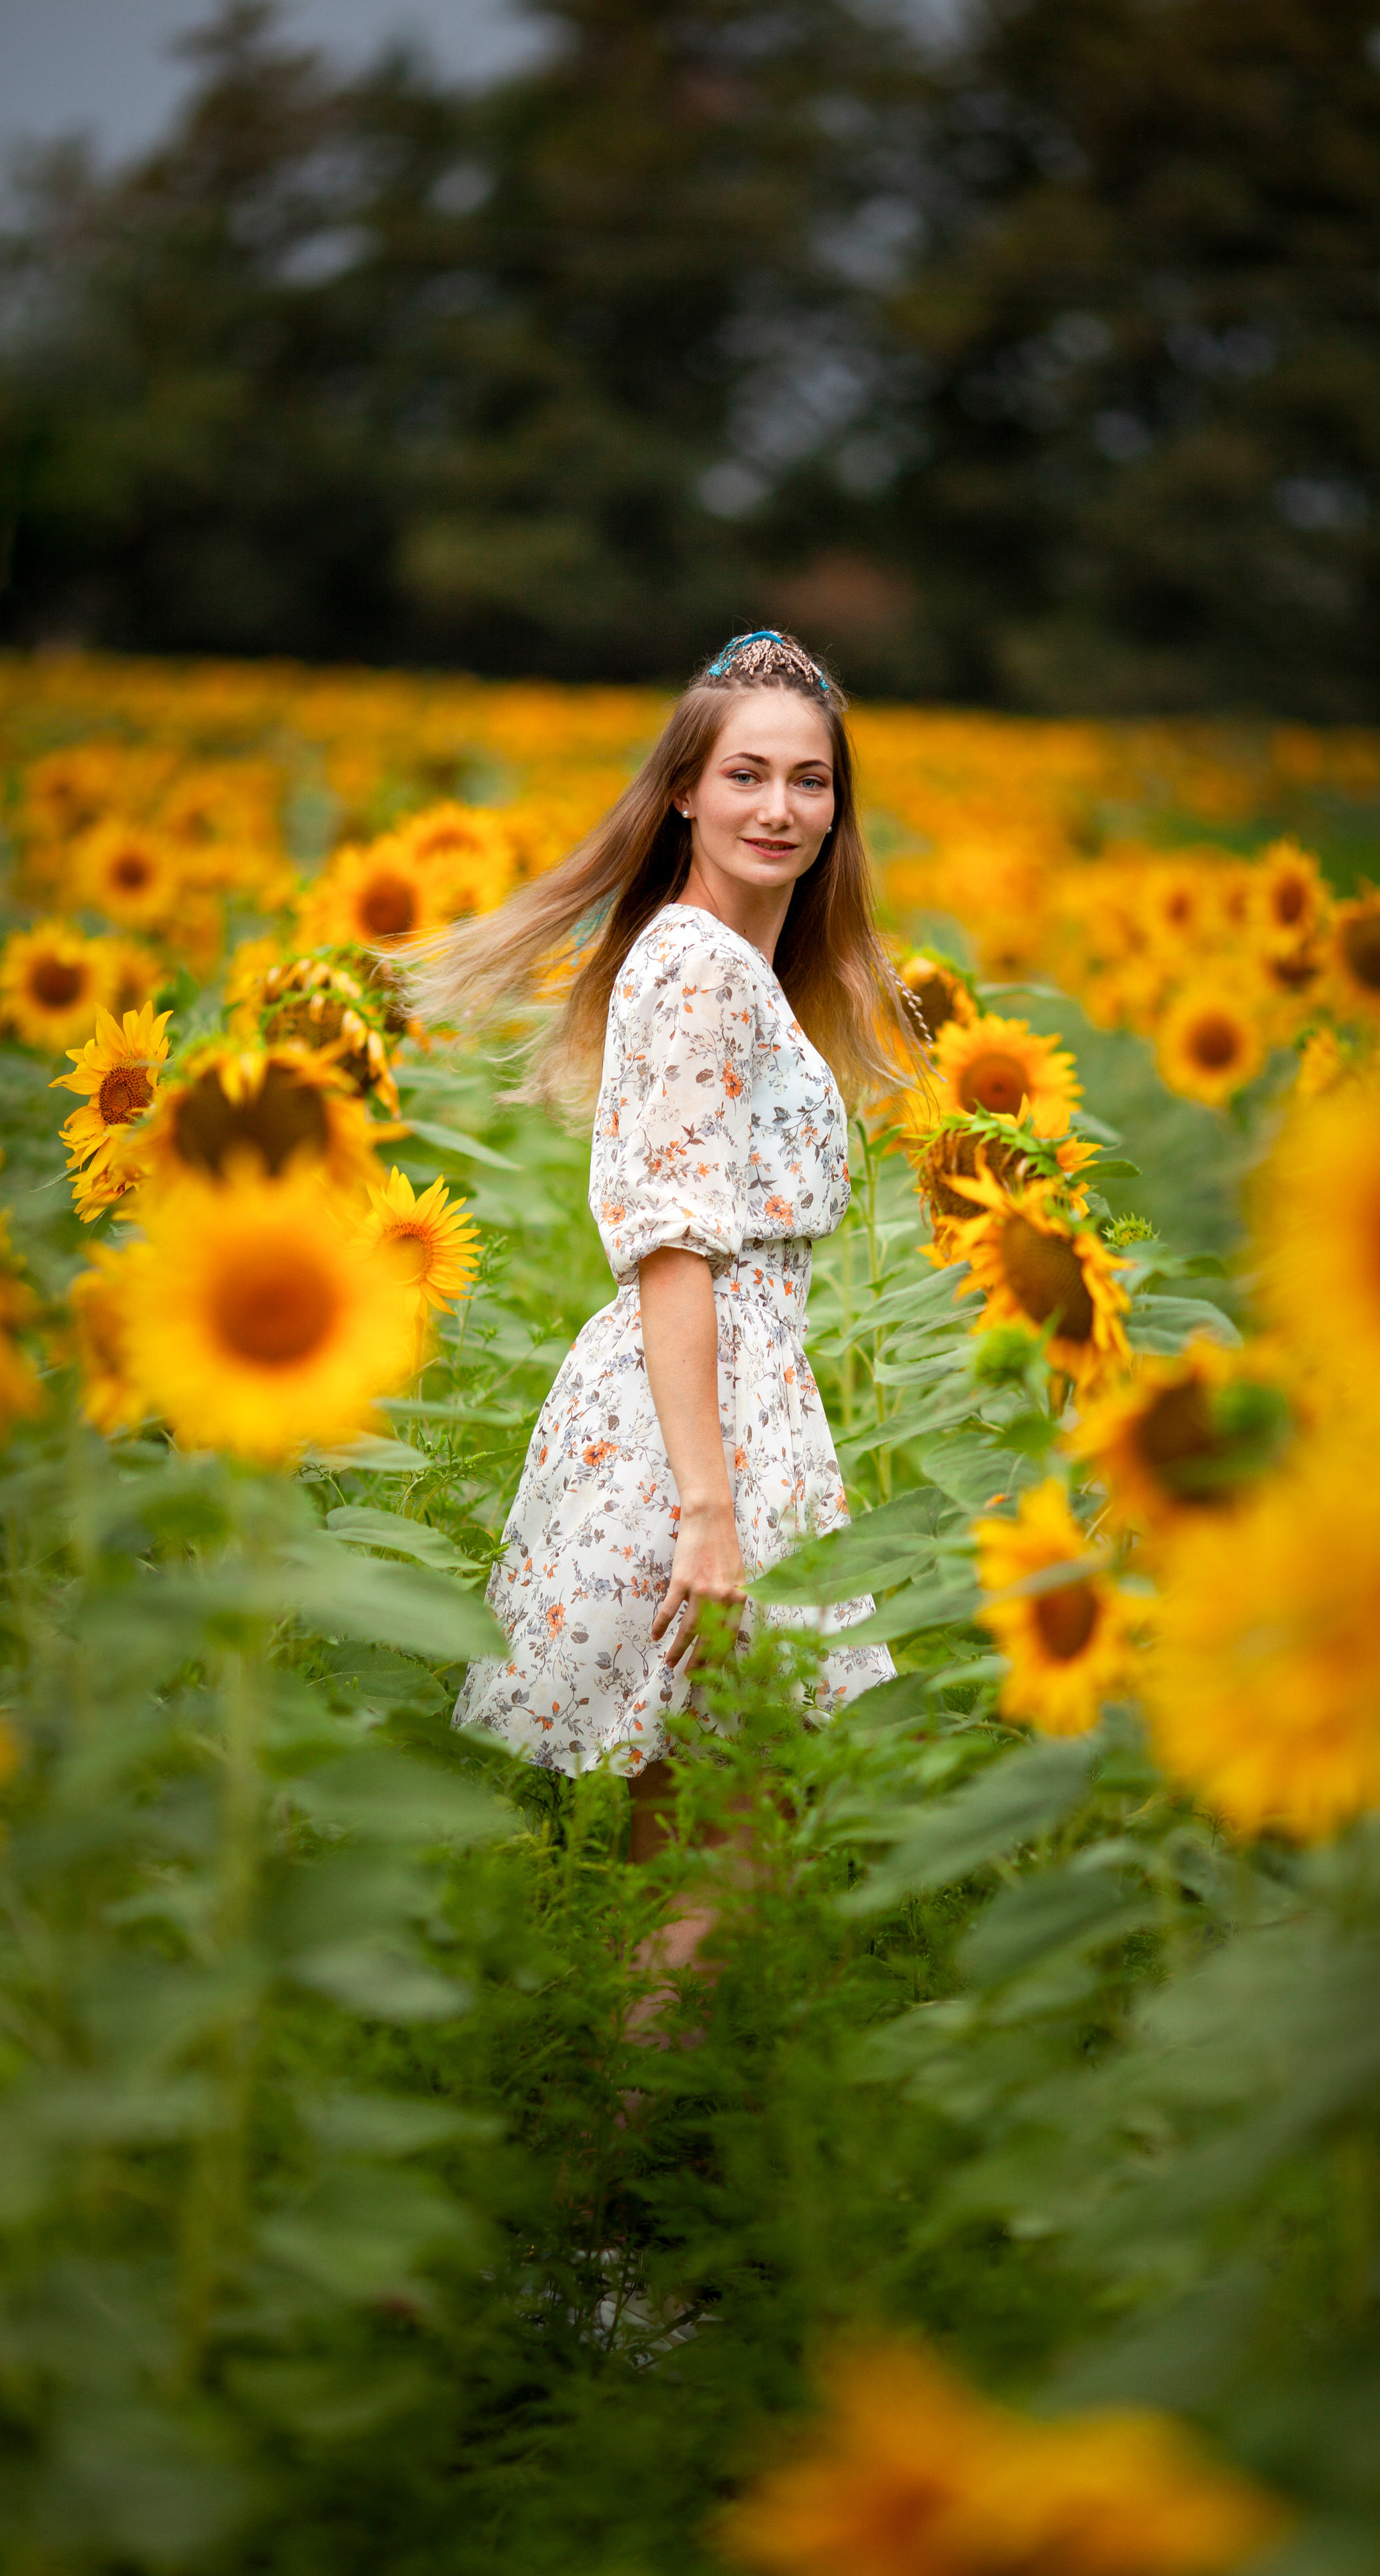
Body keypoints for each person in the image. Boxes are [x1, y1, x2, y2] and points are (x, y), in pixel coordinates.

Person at [424, 629, 922, 1924]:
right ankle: (649, 2119)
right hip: (700, 1417)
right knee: (747, 1797)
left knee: (694, 1796)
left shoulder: (725, 964)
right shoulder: (700, 966)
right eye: (747, 775)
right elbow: (674, 1243)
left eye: (809, 781)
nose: (779, 808)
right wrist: (711, 1508)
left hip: (722, 1398)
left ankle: (641, 2111)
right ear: (686, 792)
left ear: (838, 805)